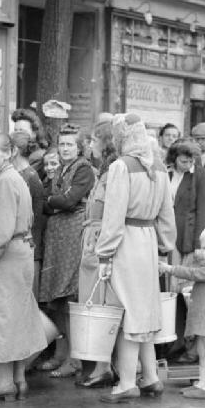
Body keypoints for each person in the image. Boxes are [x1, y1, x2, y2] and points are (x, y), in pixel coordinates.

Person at [96, 113, 176, 403]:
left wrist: (104, 253)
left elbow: (114, 214)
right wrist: (165, 245)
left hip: (126, 242)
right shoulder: (158, 166)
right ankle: (151, 376)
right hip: (148, 240)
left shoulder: (121, 166)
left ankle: (127, 382)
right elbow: (167, 212)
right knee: (143, 310)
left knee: (128, 312)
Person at [0, 134, 48, 401]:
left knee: (1, 317)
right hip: (21, 253)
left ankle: (4, 382)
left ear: (8, 153)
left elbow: (2, 232)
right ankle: (19, 379)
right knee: (17, 317)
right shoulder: (15, 177)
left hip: (7, 254)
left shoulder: (5, 181)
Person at [38, 126, 95, 377]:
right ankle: (62, 353)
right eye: (61, 144)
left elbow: (68, 201)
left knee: (69, 297)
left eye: (69, 145)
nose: (64, 149)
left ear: (80, 147)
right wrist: (54, 203)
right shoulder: (59, 169)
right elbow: (47, 204)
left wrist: (54, 202)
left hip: (72, 236)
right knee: (56, 300)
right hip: (57, 236)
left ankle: (75, 358)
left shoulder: (83, 169)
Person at [158, 225, 205, 399]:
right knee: (203, 350)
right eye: (204, 248)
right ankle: (203, 383)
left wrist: (169, 268)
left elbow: (193, 273)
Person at [76, 115, 119, 388]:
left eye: (93, 139)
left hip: (101, 241)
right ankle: (103, 364)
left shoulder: (114, 169)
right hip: (93, 238)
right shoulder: (103, 168)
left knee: (102, 304)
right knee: (94, 303)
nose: (89, 144)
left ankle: (104, 366)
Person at [165, 138, 205, 363]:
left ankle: (194, 348)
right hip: (167, 239)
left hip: (189, 240)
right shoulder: (166, 173)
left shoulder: (200, 175)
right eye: (184, 160)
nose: (188, 164)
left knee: (189, 294)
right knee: (171, 293)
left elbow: (204, 210)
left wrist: (199, 246)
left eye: (192, 159)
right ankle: (177, 341)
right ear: (174, 157)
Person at [10, 131, 45, 296]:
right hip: (24, 244)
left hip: (28, 246)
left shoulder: (29, 176)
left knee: (25, 298)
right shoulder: (23, 175)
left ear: (14, 150)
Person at [11, 107, 48, 178]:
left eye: (22, 131)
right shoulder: (15, 153)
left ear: (34, 133)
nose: (18, 134)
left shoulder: (38, 156)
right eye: (15, 130)